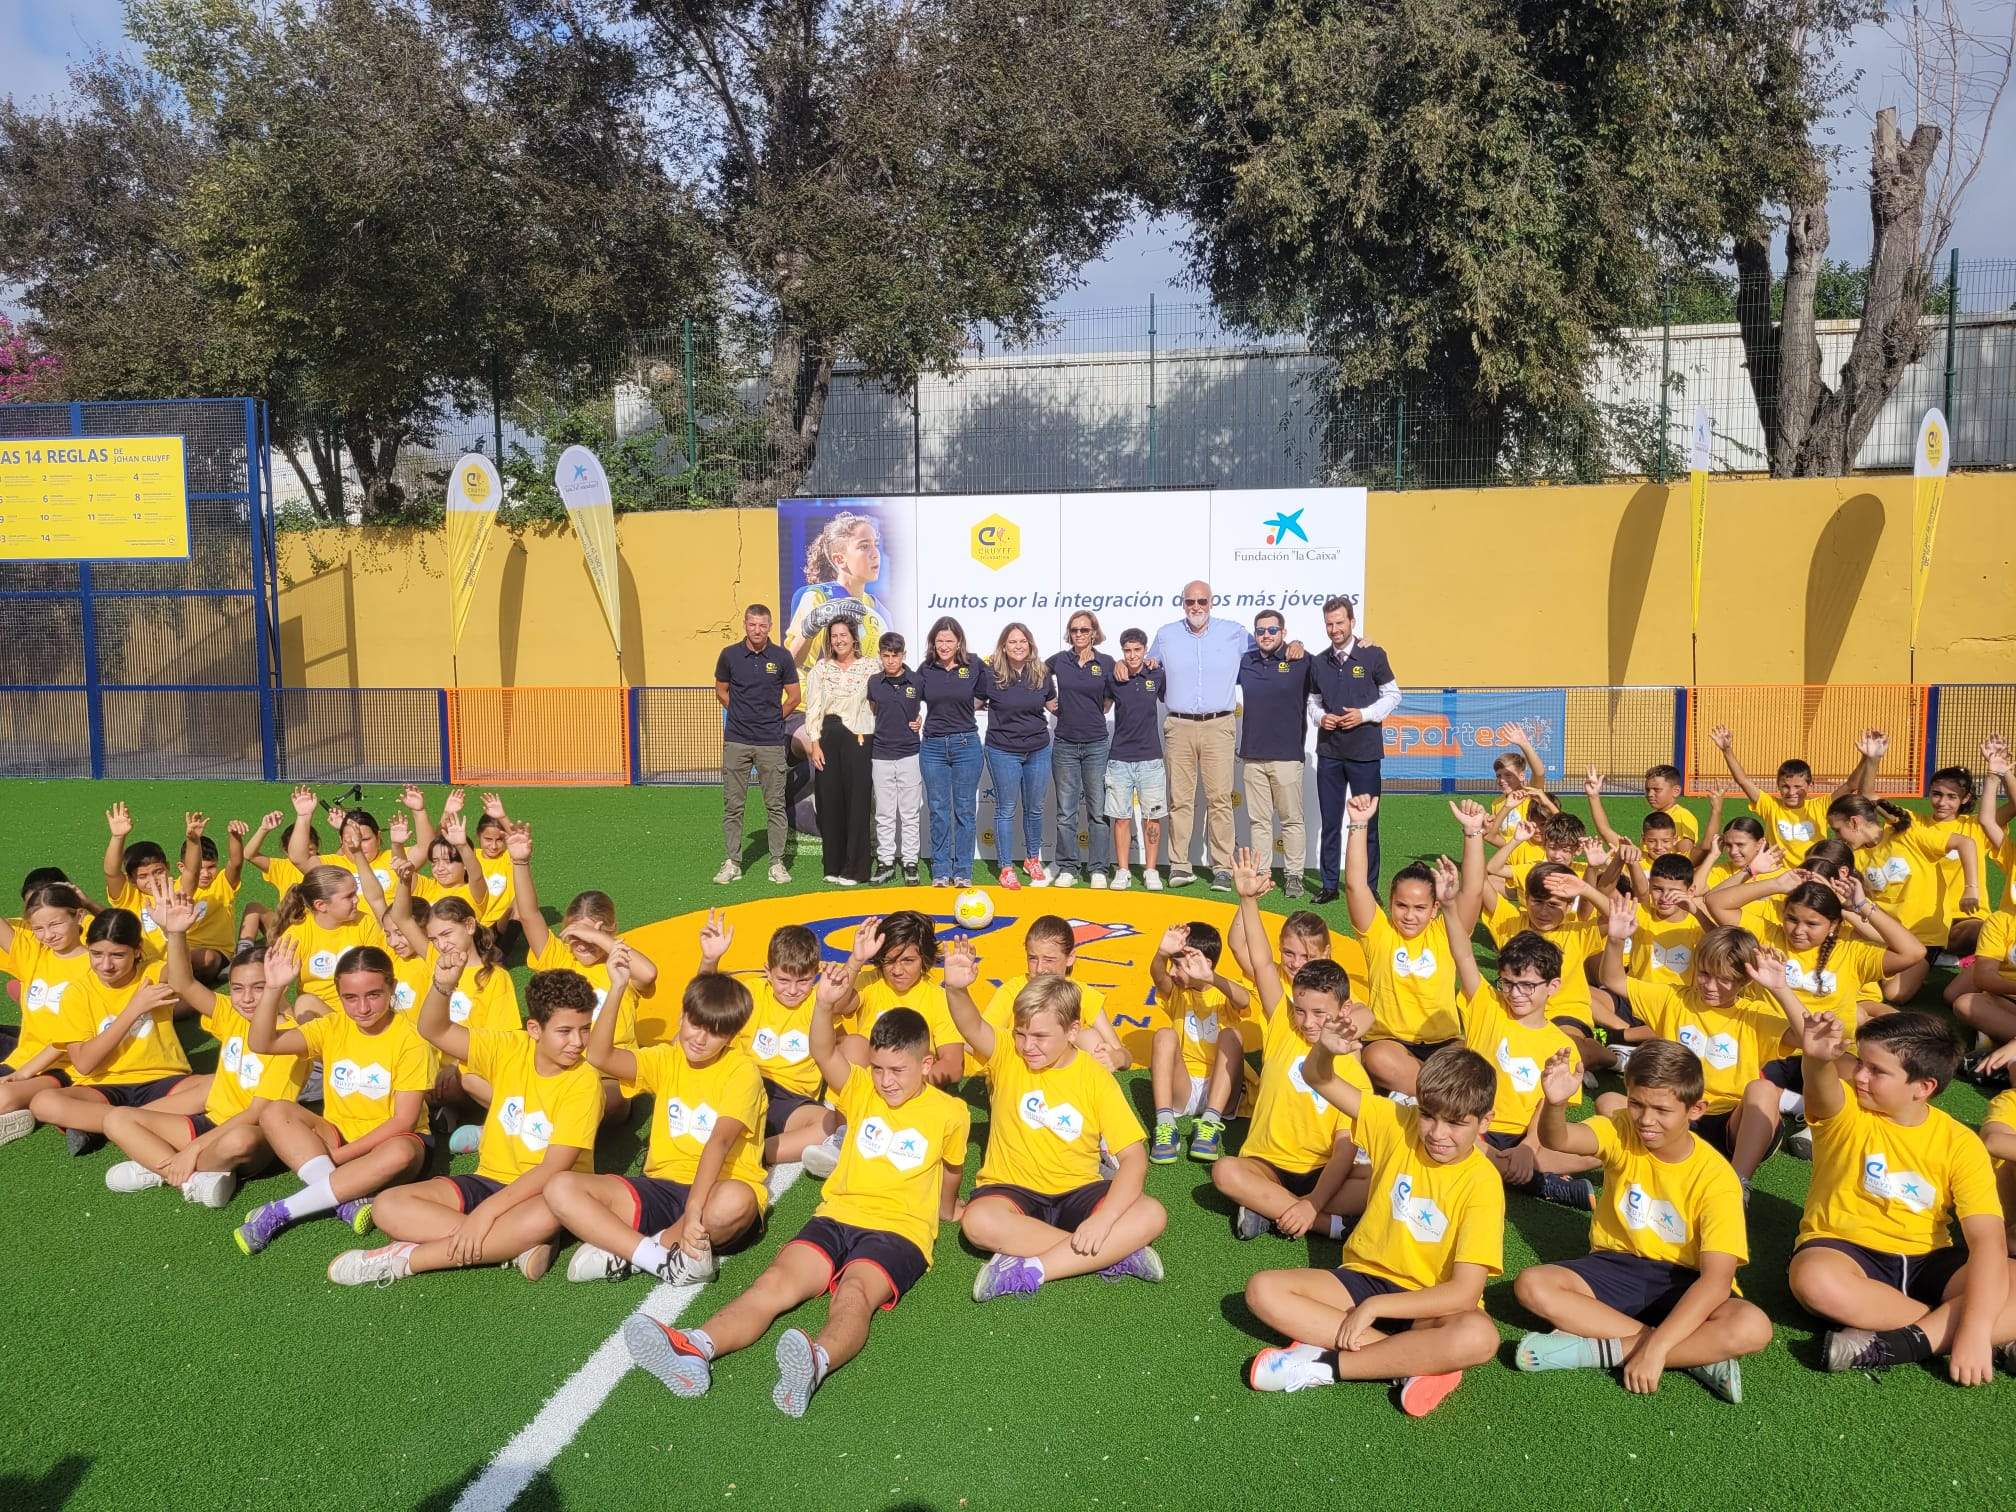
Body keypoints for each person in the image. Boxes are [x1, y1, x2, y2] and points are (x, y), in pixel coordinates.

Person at [623, 976, 968, 1417]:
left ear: (926, 1064)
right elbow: (824, 1051)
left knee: (855, 1295)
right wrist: (823, 1006)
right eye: (878, 1068)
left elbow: (953, 1169)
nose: (885, 1080)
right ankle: (695, 1346)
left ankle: (816, 1360)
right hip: (835, 1215)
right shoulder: (861, 1090)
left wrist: (946, 1209)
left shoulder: (951, 1112)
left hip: (899, 1231)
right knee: (772, 1284)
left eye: (897, 1070)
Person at [1243, 1036, 1504, 1416]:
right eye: (1429, 1115)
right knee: (1261, 1290)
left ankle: (1326, 1365)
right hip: (1361, 1278)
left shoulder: (1483, 1183)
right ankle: (1413, 1364)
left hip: (1427, 1306)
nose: (1437, 1133)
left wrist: (1375, 1306)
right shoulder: (1395, 1121)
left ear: (1485, 1121)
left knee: (1481, 1337)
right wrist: (1327, 1049)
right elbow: (1316, 1076)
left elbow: (1464, 1294)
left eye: (1456, 1123)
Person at [1515, 1040, 1769, 1402]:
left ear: (1696, 1110)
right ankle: (1695, 1357)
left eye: (1662, 1110)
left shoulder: (1717, 1180)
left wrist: (1657, 1348)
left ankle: (1597, 1352)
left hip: (1685, 1282)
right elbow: (1558, 1139)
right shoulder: (1622, 1128)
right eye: (1637, 1104)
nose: (1646, 1120)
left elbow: (1715, 1281)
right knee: (1532, 1285)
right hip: (1616, 1265)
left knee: (1753, 1326)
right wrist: (1555, 1104)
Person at [325, 960, 602, 1286]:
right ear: (534, 1030)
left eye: (585, 1028)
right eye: (565, 1031)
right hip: (489, 1180)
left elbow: (553, 1168)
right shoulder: (510, 1047)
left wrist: (485, 1215)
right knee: (388, 1205)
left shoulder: (585, 1081)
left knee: (545, 1215)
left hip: (544, 1191)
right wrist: (444, 984)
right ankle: (509, 1246)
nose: (578, 1042)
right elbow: (434, 1029)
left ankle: (403, 1260)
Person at [1788, 1011, 2016, 1380]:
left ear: (1923, 1087)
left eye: (1877, 1071)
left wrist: (1975, 1328)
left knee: (2009, 1275)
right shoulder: (1849, 1111)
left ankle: (1898, 1344)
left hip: (1929, 1256)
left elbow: (1987, 1239)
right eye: (1860, 1063)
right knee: (1814, 1280)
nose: (1860, 1076)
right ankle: (1984, 1332)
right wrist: (1815, 1060)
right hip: (1844, 1248)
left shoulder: (1960, 1142)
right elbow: (1823, 1089)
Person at [942, 952, 1168, 1300]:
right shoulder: (1006, 1053)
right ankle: (1113, 1254)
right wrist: (956, 990)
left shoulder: (1095, 1077)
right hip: (1011, 1189)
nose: (1027, 1046)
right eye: (1020, 1034)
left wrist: (1105, 1219)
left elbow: (1134, 1157)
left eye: (1040, 1036)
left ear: (1073, 1030)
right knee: (977, 1221)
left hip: (1080, 1189)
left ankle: (1032, 1269)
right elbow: (972, 1026)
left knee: (1152, 1213)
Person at [548, 961, 770, 1285]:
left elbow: (720, 1142)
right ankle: (659, 1257)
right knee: (559, 1187)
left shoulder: (742, 1071)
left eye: (715, 1031)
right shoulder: (667, 1058)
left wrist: (694, 1209)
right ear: (682, 1016)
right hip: (661, 1187)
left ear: (732, 1036)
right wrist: (617, 989)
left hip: (716, 1193)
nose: (700, 1038)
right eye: (695, 1024)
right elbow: (599, 1056)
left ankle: (638, 1249)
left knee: (737, 1200)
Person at [101, 892, 305, 1208]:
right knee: (116, 1119)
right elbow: (183, 983)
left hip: (253, 1136)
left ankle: (161, 1166)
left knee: (240, 1140)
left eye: (259, 988)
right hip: (209, 1122)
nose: (247, 998)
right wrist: (177, 933)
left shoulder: (291, 1038)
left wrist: (191, 1150)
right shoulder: (231, 1014)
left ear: (278, 985)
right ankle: (186, 1177)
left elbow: (255, 1114)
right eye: (237, 989)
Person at [234, 940, 435, 1255]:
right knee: (275, 1112)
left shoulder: (411, 1041)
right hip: (336, 1135)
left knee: (400, 1153)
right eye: (350, 998)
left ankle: (280, 1211)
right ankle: (346, 1202)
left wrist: (341, 1157)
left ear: (392, 987)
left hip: (393, 1142)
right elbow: (263, 1043)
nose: (363, 1007)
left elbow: (404, 1120)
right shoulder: (332, 1026)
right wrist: (273, 989)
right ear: (339, 996)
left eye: (373, 995)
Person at [1132, 580, 1302, 891]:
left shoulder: (1235, 632)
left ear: (1211, 603)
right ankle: (1180, 865)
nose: (1196, 607)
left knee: (1220, 800)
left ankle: (1223, 866)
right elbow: (1145, 665)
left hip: (1219, 725)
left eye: (1201, 601)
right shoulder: (1166, 635)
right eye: (1190, 602)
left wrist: (1295, 645)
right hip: (1179, 725)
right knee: (1180, 800)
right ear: (1182, 603)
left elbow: (1268, 647)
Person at [28, 909, 196, 1156]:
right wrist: (134, 1010)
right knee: (43, 1103)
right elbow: (84, 1064)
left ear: (137, 950)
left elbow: (183, 981)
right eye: (96, 954)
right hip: (103, 1087)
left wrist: (175, 933)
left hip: (163, 1078)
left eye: (118, 955)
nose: (105, 965)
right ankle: (142, 1122)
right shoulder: (78, 992)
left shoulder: (152, 973)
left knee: (216, 1086)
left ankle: (102, 1124)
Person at [696, 911, 842, 1169]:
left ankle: (753, 1156)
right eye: (783, 980)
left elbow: (849, 1003)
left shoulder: (822, 1000)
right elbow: (704, 1006)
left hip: (790, 1098)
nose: (793, 990)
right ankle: (718, 1140)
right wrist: (710, 960)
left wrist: (854, 963)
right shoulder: (752, 992)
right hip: (745, 1080)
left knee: (830, 1123)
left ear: (816, 974)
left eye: (803, 980)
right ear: (768, 972)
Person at [1349, 796, 1469, 1096]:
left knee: (1472, 1059)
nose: (1409, 915)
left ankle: (1415, 1095)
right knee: (1377, 1059)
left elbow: (1475, 889)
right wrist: (1358, 823)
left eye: (1419, 907)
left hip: (1444, 1043)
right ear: (1390, 903)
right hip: (1389, 1042)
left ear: (1435, 908)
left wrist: (1473, 833)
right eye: (1401, 905)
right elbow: (1355, 884)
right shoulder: (1379, 932)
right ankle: (1441, 1099)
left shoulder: (1447, 930)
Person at [1305, 596, 1400, 903]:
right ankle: (1330, 885)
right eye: (1329, 624)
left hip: (1365, 753)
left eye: (1340, 623)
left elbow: (1392, 695)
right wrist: (1322, 718)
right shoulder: (1319, 661)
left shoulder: (1373, 655)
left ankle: (1369, 888)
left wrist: (1365, 714)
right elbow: (1313, 702)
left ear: (1352, 622)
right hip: (1330, 753)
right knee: (1330, 822)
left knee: (1368, 823)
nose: (1334, 629)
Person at [0, 882, 99, 1147]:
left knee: (2, 1096)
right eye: (38, 928)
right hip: (21, 1058)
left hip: (63, 1066)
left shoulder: (96, 965)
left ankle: (25, 1107)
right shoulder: (33, 953)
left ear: (78, 916)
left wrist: (26, 1072)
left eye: (55, 924)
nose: (47, 935)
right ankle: (24, 1110)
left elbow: (72, 1038)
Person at [1705, 724, 1882, 867]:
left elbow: (1851, 785)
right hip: (1776, 874)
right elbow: (1743, 780)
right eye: (1785, 786)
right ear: (1778, 786)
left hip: (1814, 871)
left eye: (1798, 786)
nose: (1792, 792)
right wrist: (1727, 750)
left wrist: (1866, 758)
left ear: (1810, 785)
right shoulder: (1770, 806)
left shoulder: (1821, 806)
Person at [1148, 920, 1251, 1162]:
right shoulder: (1176, 992)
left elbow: (1244, 1000)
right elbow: (1158, 975)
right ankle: (1165, 1125)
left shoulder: (1221, 992)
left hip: (1221, 1088)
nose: (1173, 972)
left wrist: (1212, 978)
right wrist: (1162, 953)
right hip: (1183, 1088)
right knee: (1164, 1035)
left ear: (1205, 964)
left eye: (1179, 965)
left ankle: (1210, 1124)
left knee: (1232, 1035)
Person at [715, 603, 801, 887]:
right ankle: (733, 862)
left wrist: (775, 719)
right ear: (745, 624)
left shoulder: (782, 657)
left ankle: (776, 863)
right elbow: (721, 690)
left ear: (770, 627)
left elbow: (793, 696)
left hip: (771, 743)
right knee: (733, 806)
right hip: (737, 741)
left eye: (762, 625)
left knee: (775, 805)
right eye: (752, 624)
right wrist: (740, 714)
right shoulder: (729, 656)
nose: (757, 630)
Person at [978, 913, 1130, 1071]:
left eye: (1049, 960)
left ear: (1070, 958)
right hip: (1020, 1074)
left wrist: (1115, 1058)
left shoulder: (1084, 994)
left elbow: (1123, 1054)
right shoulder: (1011, 991)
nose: (1039, 968)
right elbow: (979, 1038)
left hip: (1063, 1079)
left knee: (1090, 1039)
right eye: (1032, 958)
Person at [1237, 609, 1313, 898]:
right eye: (1260, 631)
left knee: (1291, 819)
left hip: (1287, 755)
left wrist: (1301, 644)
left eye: (1272, 630)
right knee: (1259, 821)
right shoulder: (1246, 661)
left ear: (1283, 632)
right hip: (1253, 755)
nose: (1266, 636)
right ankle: (1263, 874)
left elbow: (1328, 674)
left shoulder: (1301, 660)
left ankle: (1294, 875)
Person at [802, 613, 877, 886]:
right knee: (829, 801)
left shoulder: (871, 667)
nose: (839, 640)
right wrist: (814, 743)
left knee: (858, 804)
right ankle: (832, 866)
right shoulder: (820, 670)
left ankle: (856, 870)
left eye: (844, 635)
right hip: (827, 739)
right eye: (834, 636)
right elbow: (813, 709)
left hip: (859, 738)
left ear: (854, 638)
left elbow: (887, 698)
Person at [980, 622, 1055, 890]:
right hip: (1002, 749)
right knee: (1006, 810)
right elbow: (974, 702)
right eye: (1012, 642)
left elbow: (1051, 703)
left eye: (1023, 641)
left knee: (1034, 809)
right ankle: (1006, 866)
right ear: (1003, 646)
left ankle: (1032, 859)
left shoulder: (1042, 673)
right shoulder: (990, 674)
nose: (1018, 646)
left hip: (1038, 748)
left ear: (1030, 644)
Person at [1045, 610, 1116, 890]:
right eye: (1074, 630)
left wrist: (1107, 701)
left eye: (1084, 630)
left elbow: (1113, 692)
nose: (1079, 635)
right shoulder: (1059, 660)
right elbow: (1035, 676)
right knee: (1066, 812)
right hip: (1064, 744)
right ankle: (1067, 867)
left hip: (1097, 743)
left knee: (1098, 811)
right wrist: (1048, 701)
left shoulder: (1107, 662)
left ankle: (1098, 867)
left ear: (1094, 632)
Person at [916, 616, 989, 888]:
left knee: (965, 811)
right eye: (939, 641)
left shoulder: (974, 665)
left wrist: (966, 707)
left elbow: (985, 694)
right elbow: (912, 699)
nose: (944, 646)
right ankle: (940, 871)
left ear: (959, 641)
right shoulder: (926, 669)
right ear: (933, 643)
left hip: (966, 745)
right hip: (933, 745)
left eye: (949, 640)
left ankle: (963, 872)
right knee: (938, 809)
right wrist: (915, 719)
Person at [784, 510, 892, 667]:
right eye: (864, 546)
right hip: (818, 690)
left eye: (875, 544)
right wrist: (813, 622)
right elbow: (790, 665)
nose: (875, 553)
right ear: (840, 559)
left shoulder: (881, 611)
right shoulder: (818, 598)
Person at [1104, 628, 1167, 890]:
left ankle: (1150, 870)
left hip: (1151, 758)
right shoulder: (1114, 676)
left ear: (1145, 650)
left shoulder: (1157, 674)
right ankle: (1123, 870)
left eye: (1137, 650)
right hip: (1119, 758)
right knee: (1120, 818)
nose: (1132, 656)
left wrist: (1157, 662)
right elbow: (1103, 706)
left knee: (1152, 818)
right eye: (1127, 651)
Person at [866, 631, 925, 886]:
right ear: (880, 655)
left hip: (910, 753)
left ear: (904, 655)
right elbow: (872, 711)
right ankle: (886, 861)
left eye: (895, 656)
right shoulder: (874, 682)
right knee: (884, 813)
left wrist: (920, 721)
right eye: (886, 655)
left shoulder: (917, 681)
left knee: (910, 812)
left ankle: (910, 862)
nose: (890, 661)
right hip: (880, 754)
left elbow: (927, 709)